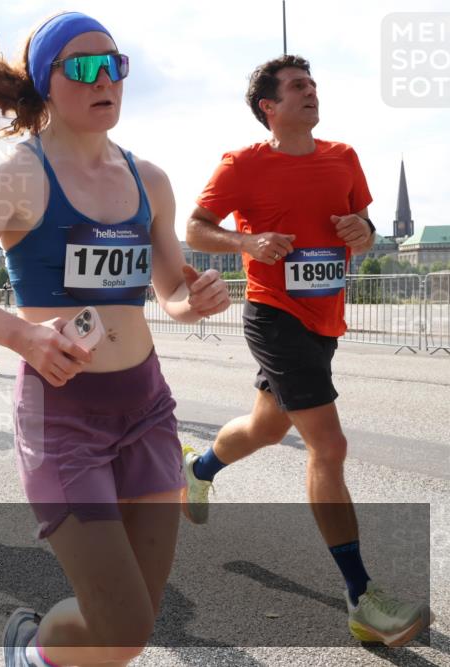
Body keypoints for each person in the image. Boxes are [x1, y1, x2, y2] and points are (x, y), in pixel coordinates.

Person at [0, 13, 230, 666]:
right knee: (120, 628)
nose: (104, 80)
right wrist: (24, 336)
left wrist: (193, 299)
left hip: (147, 408)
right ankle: (28, 651)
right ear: (47, 82)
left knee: (133, 626)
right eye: (83, 67)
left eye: (114, 65)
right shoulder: (20, 176)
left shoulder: (150, 180)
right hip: (62, 416)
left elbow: (170, 290)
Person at [183, 54, 431, 647]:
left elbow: (364, 229)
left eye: (314, 84)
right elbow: (195, 227)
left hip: (325, 321)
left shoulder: (343, 157)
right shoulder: (242, 164)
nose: (311, 91)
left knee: (268, 427)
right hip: (275, 317)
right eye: (298, 86)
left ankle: (197, 469)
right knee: (329, 445)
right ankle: (362, 598)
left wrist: (363, 232)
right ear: (269, 106)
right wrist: (246, 242)